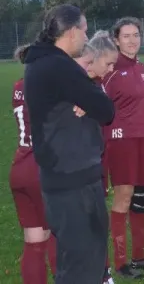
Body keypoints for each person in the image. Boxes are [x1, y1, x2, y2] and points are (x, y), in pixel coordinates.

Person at [23, 4, 115, 283]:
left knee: (81, 262)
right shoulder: (58, 65)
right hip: (71, 179)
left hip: (68, 176)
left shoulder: (44, 63)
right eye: (85, 31)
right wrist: (90, 100)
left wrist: (87, 100)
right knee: (81, 267)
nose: (87, 38)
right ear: (73, 31)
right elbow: (107, 111)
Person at [102, 17, 144, 279]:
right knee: (123, 200)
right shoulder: (111, 68)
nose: (132, 40)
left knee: (141, 200)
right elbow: (99, 105)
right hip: (122, 142)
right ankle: (121, 263)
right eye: (126, 36)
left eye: (136, 34)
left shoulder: (140, 66)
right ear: (116, 39)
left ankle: (140, 257)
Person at [75, 31, 119, 284]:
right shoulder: (73, 82)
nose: (111, 68)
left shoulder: (96, 83)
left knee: (98, 222)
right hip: (74, 166)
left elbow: (107, 112)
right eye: (109, 63)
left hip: (94, 161)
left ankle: (103, 274)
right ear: (95, 57)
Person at [10, 45, 57, 284]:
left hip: (20, 165)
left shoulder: (19, 86)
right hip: (41, 168)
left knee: (34, 240)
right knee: (58, 235)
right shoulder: (45, 89)